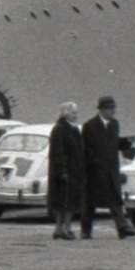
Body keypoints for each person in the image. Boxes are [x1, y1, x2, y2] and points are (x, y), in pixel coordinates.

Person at [81, 96, 135, 239]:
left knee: (115, 200)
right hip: (94, 171)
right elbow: (85, 148)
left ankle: (122, 228)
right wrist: (93, 162)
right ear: (102, 110)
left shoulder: (114, 124)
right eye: (110, 108)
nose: (113, 111)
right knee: (90, 202)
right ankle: (85, 231)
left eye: (113, 108)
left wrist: (126, 142)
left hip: (111, 169)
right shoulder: (89, 126)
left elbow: (114, 143)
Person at [47, 101, 85, 241]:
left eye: (76, 113)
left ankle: (65, 228)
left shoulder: (75, 129)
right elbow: (57, 152)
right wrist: (62, 170)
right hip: (63, 171)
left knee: (71, 201)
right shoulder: (59, 129)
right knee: (61, 201)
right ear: (65, 113)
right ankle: (61, 228)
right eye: (73, 113)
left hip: (74, 170)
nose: (76, 115)